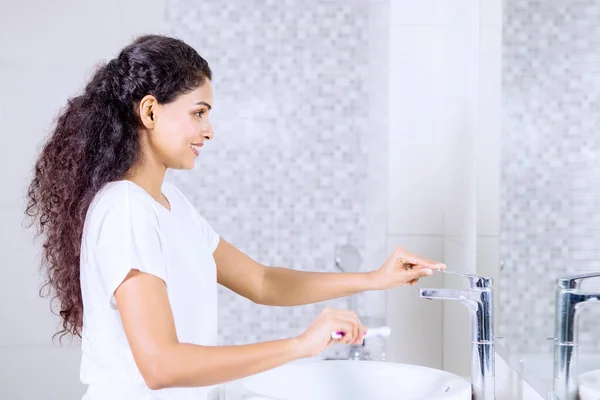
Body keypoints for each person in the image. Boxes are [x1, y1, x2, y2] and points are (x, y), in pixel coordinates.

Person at [25, 34, 445, 400]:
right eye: (198, 112)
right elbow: (161, 365)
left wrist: (375, 278)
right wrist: (300, 344)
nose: (209, 130)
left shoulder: (169, 205)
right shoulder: (127, 210)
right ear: (150, 112)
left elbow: (262, 281)